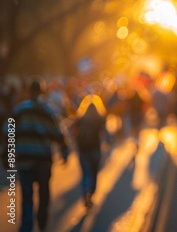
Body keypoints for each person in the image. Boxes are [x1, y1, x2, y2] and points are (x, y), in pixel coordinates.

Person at [2, 79, 69, 232]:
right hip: (43, 161)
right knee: (44, 193)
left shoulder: (20, 110)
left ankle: (26, 226)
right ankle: (42, 221)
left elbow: (7, 133)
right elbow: (58, 134)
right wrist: (64, 152)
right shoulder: (48, 111)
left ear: (28, 92)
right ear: (42, 92)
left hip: (25, 159)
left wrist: (6, 156)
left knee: (27, 196)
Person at [72, 95, 107, 209]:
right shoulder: (99, 119)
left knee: (85, 173)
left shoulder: (80, 119)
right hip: (95, 148)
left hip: (83, 149)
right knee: (94, 173)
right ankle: (91, 193)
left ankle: (86, 191)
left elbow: (73, 131)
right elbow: (105, 132)